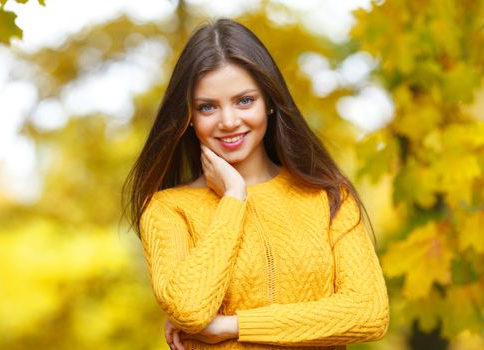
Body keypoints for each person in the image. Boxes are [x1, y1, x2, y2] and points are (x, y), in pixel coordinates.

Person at [122, 17, 389, 350]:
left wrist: (232, 326)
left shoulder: (329, 195)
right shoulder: (167, 210)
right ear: (188, 118)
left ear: (270, 102)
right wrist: (233, 198)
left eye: (244, 101)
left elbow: (369, 312)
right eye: (207, 107)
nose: (229, 121)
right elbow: (189, 310)